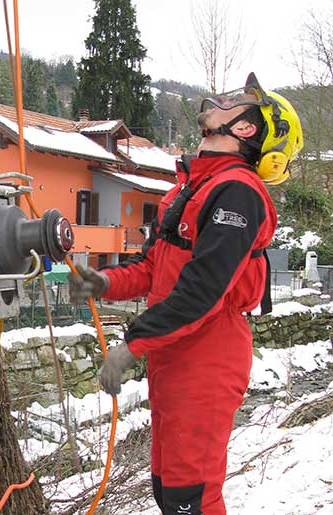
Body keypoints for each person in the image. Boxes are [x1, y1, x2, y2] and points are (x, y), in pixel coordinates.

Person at [69, 73, 303, 515]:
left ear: (247, 128)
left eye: (239, 100)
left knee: (189, 498)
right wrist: (105, 283)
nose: (221, 99)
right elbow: (156, 267)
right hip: (174, 355)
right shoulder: (191, 187)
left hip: (207, 356)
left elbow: (202, 291)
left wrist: (133, 343)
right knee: (167, 489)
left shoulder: (237, 193)